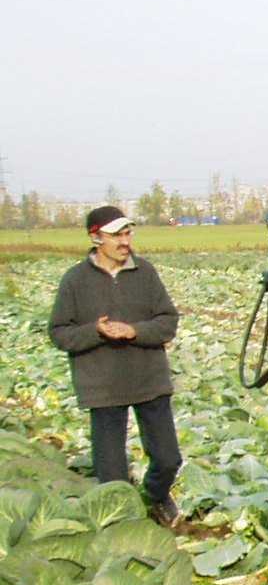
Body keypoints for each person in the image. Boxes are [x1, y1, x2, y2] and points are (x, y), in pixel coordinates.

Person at [49, 206, 183, 525]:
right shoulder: (75, 281)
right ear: (95, 238)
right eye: (116, 236)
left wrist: (134, 330)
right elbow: (59, 332)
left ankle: (156, 496)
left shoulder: (145, 273)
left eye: (128, 233)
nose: (125, 242)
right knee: (111, 473)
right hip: (103, 387)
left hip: (149, 380)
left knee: (168, 459)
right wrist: (95, 331)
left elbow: (168, 321)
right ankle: (124, 527)